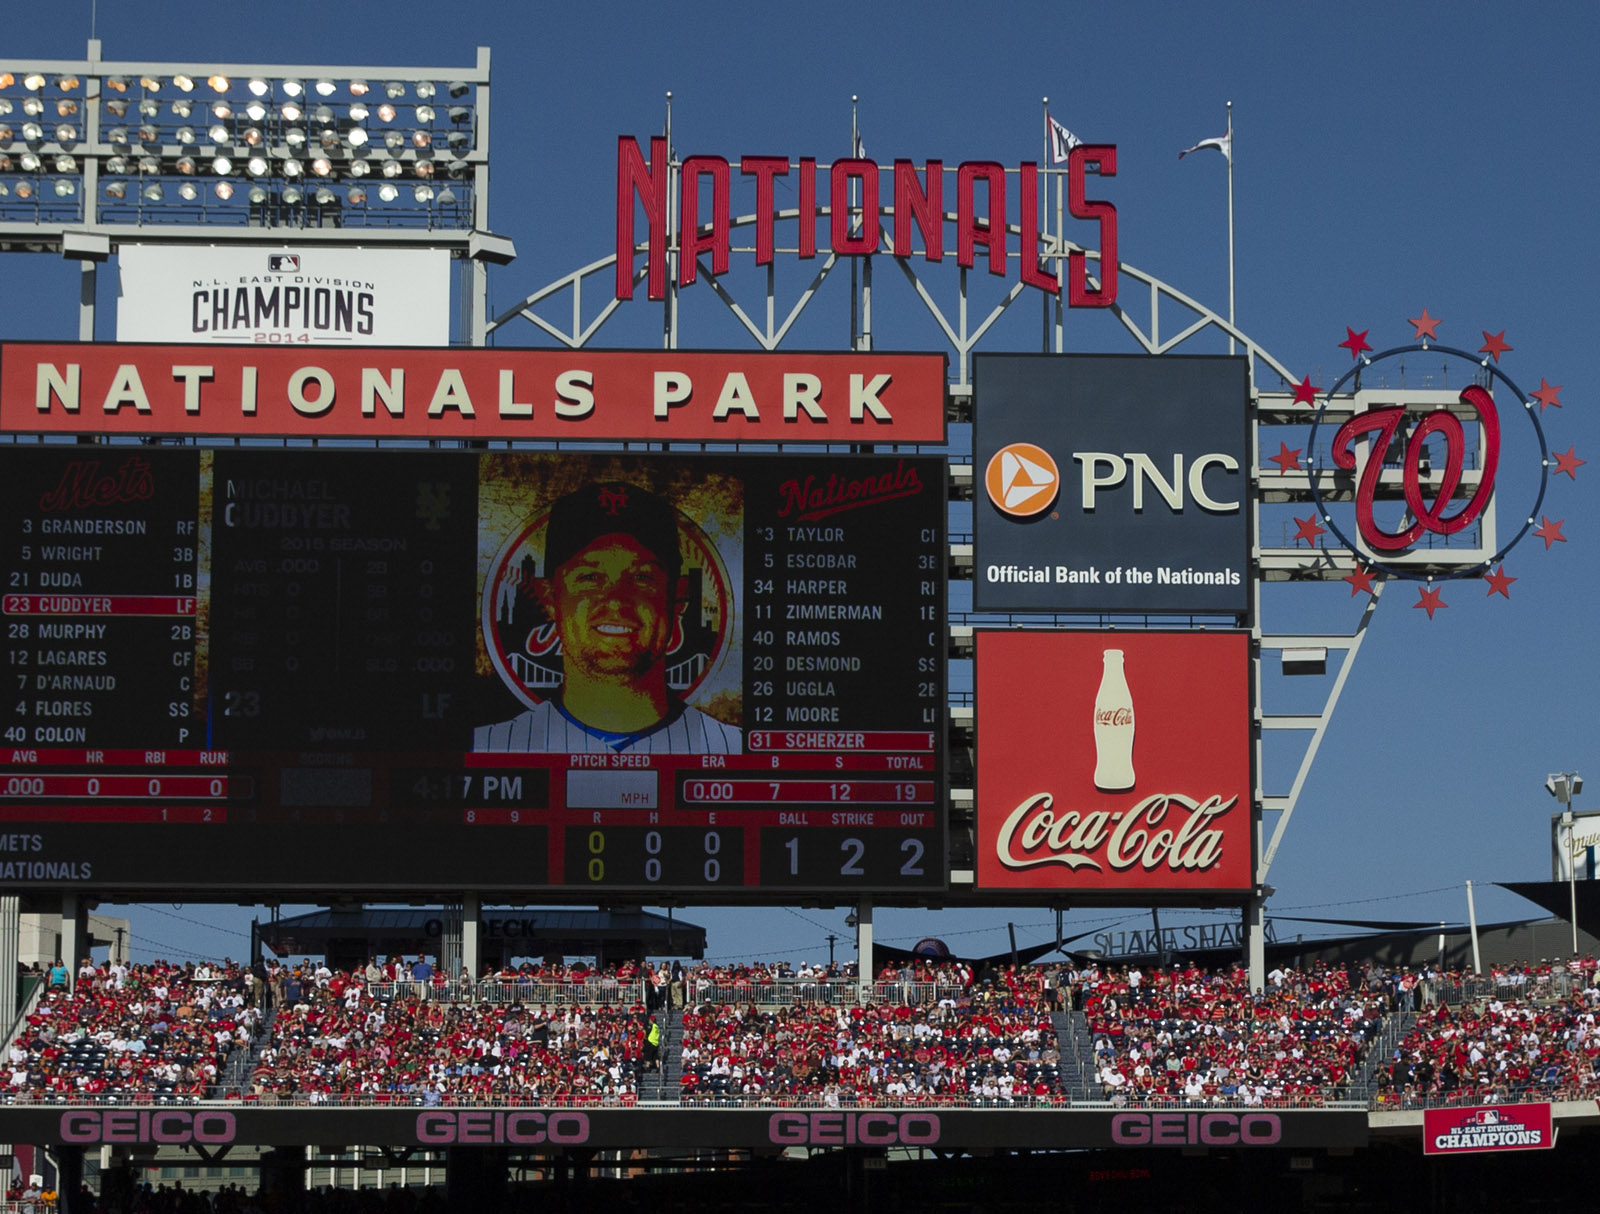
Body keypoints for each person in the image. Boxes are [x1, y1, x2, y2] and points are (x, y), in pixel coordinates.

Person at [475, 482, 741, 754]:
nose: (615, 599)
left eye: (641, 577)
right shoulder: (485, 747)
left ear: (678, 597)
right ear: (549, 598)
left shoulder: (735, 748)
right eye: (589, 577)